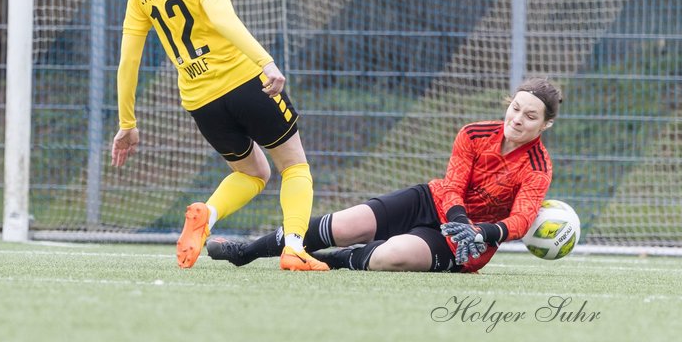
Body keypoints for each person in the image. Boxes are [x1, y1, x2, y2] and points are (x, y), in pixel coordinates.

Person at [111, 0, 328, 271]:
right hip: (246, 82)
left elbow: (128, 62)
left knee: (252, 173)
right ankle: (294, 249)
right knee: (294, 167)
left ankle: (206, 217)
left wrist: (127, 124)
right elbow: (223, 19)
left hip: (201, 101)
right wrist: (267, 62)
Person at [207, 78, 562, 273]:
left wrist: (482, 231)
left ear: (545, 124)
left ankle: (331, 260)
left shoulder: (538, 167)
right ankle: (246, 252)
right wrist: (458, 217)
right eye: (515, 108)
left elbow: (521, 219)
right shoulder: (473, 133)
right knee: (344, 226)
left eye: (530, 117)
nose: (517, 119)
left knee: (391, 257)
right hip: (431, 201)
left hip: (467, 244)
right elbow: (453, 185)